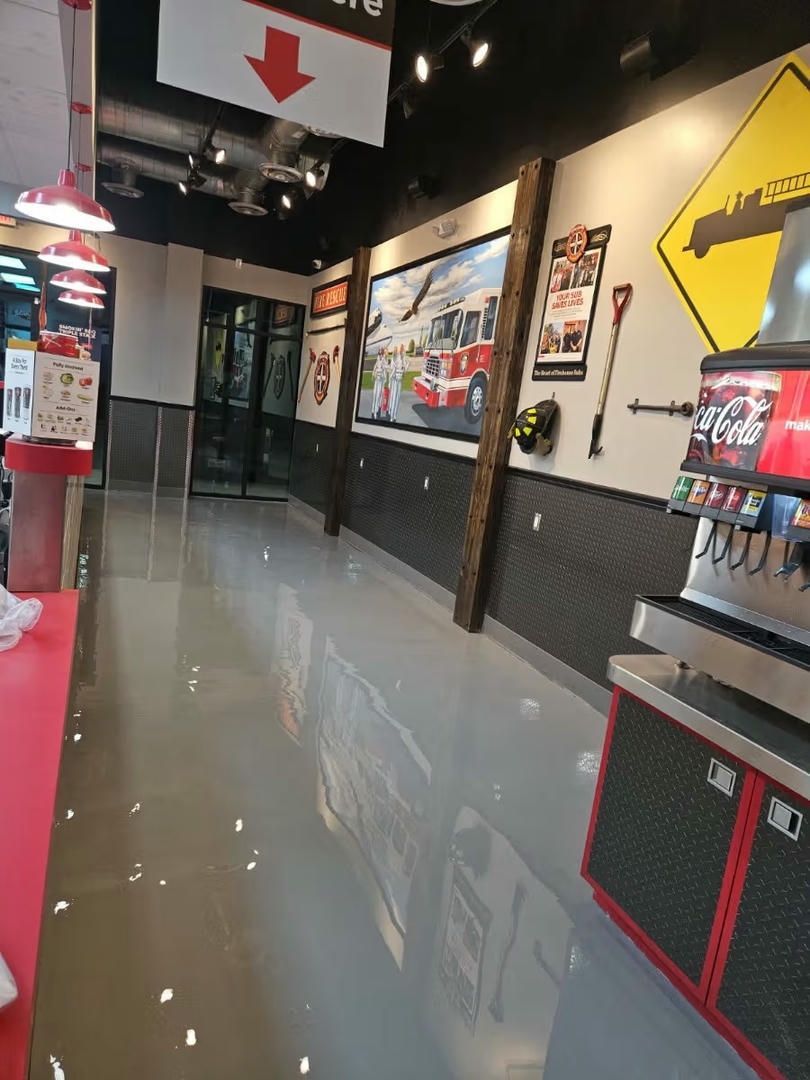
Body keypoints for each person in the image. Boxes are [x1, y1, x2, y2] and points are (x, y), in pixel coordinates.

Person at [389, 343, 407, 422]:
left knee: (397, 398)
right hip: (395, 380)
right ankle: (391, 416)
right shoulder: (396, 357)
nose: (403, 351)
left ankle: (394, 415)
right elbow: (393, 368)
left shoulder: (403, 359)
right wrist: (390, 380)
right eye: (402, 349)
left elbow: (404, 371)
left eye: (403, 350)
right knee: (393, 398)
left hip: (399, 380)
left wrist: (405, 367)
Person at [371, 348, 388, 419]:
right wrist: (373, 375)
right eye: (379, 354)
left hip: (381, 381)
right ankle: (373, 410)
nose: (380, 355)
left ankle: (376, 411)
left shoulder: (384, 360)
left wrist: (384, 378)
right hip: (377, 381)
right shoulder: (377, 360)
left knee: (379, 396)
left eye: (381, 353)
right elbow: (374, 369)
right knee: (375, 395)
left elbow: (386, 369)